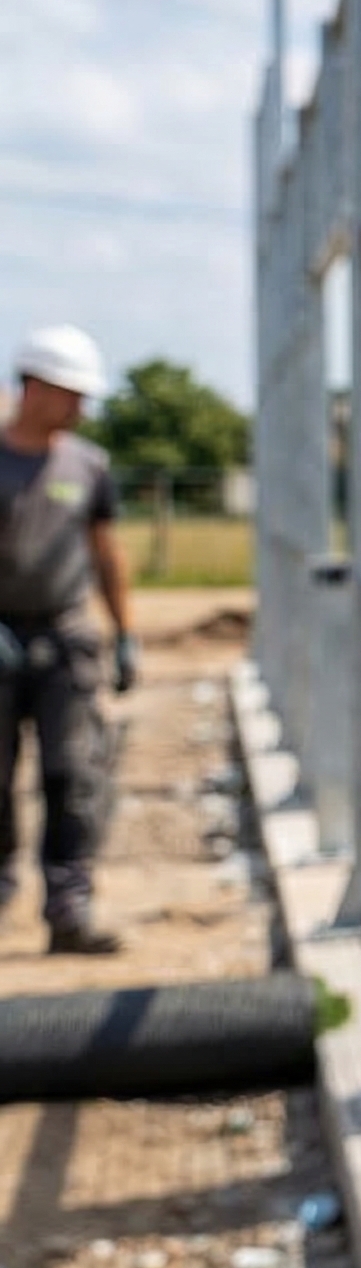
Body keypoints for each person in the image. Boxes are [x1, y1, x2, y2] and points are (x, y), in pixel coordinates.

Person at [0, 325, 135, 955]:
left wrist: (124, 632)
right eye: (70, 393)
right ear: (32, 386)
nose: (79, 407)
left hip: (65, 637)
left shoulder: (87, 466)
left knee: (72, 774)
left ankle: (69, 907)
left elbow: (106, 553)